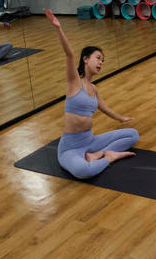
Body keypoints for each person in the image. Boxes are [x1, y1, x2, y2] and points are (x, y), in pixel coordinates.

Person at [45, 9, 139, 179]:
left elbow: (103, 107)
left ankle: (98, 154)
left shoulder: (94, 88)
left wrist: (120, 118)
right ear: (86, 59)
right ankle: (109, 157)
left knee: (133, 134)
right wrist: (58, 28)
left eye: (103, 60)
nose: (101, 62)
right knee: (83, 171)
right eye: (98, 58)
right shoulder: (74, 82)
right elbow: (69, 54)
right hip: (70, 147)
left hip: (90, 141)